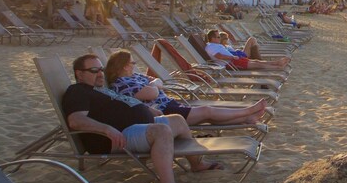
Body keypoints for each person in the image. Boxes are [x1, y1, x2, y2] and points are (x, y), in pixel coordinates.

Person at [63, 54, 221, 183]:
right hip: (115, 136)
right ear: (79, 74)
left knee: (178, 120)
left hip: (136, 126)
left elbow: (125, 102)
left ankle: (197, 164)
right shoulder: (77, 91)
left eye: (101, 69)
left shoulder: (100, 90)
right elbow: (76, 120)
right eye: (94, 70)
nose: (100, 74)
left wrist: (148, 110)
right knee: (161, 131)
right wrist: (107, 129)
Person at [104, 50, 267, 126]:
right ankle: (247, 111)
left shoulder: (134, 77)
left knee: (207, 117)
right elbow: (154, 90)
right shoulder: (121, 84)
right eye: (132, 63)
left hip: (169, 103)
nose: (135, 65)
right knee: (207, 111)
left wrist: (154, 84)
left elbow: (158, 82)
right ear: (125, 66)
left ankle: (246, 119)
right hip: (163, 112)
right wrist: (154, 85)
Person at [205, 30, 290, 70]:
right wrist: (232, 58)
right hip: (232, 63)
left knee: (257, 62)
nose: (220, 38)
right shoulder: (211, 46)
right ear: (212, 38)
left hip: (234, 60)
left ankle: (277, 63)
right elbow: (218, 56)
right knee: (257, 65)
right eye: (218, 37)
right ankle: (278, 67)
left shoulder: (215, 45)